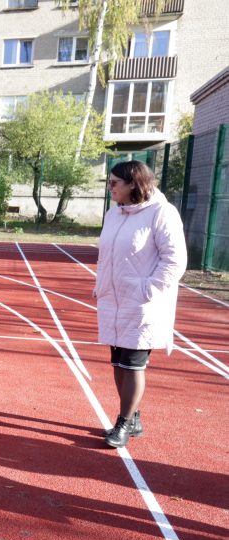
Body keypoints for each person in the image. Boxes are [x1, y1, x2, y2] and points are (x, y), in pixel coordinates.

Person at [95, 160, 187, 448]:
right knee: (119, 363)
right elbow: (106, 254)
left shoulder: (162, 213)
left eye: (113, 183)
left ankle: (123, 423)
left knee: (133, 364)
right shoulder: (113, 214)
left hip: (142, 303)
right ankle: (132, 415)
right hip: (113, 300)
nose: (109, 188)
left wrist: (148, 289)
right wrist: (100, 285)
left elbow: (175, 260)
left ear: (134, 183)